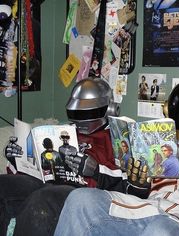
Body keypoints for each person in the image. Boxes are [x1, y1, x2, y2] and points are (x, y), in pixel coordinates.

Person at [54, 79, 179, 236]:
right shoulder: (153, 142)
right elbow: (132, 191)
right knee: (80, 199)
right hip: (145, 209)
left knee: (159, 230)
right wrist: (139, 186)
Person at [1, 77, 135, 236]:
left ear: (110, 109)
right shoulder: (63, 132)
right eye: (76, 113)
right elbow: (36, 167)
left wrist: (96, 170)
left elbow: (127, 182)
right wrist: (16, 160)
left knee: (43, 201)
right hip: (46, 182)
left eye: (90, 112)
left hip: (81, 192)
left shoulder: (118, 138)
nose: (82, 120)